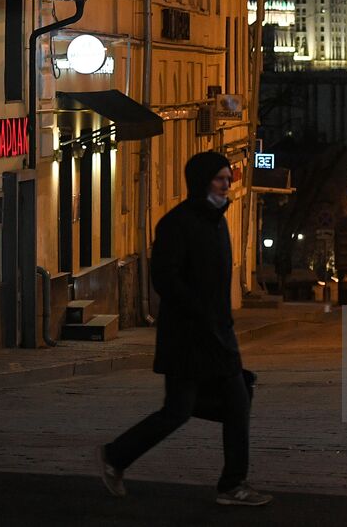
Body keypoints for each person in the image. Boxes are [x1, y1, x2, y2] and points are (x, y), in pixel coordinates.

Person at [97, 151, 272, 507]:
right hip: (188, 338)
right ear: (201, 182)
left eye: (228, 178)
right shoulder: (178, 223)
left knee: (231, 402)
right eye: (220, 178)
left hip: (217, 334)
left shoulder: (217, 221)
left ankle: (229, 483)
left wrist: (220, 321)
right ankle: (118, 457)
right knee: (183, 410)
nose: (227, 184)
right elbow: (164, 277)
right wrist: (199, 311)